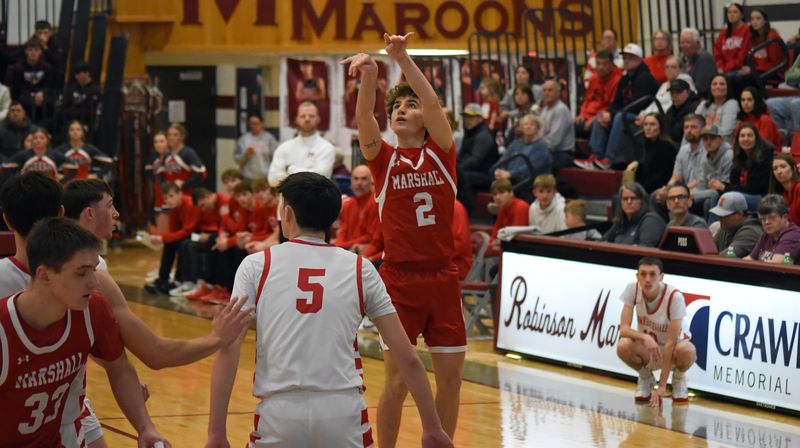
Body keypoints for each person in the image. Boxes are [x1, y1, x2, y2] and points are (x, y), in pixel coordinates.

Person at [206, 172, 452, 448]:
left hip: (279, 414)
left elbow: (228, 348)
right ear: (334, 218)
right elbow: (407, 357)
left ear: (286, 213)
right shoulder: (361, 268)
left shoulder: (255, 266)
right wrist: (431, 427)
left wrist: (216, 433)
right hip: (344, 414)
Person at [343, 33, 465, 447]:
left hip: (443, 279)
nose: (401, 110)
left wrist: (403, 58)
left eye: (408, 105)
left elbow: (432, 103)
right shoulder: (383, 161)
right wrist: (371, 77)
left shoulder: (442, 153)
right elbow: (365, 121)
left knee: (450, 382)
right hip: (399, 281)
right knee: (396, 381)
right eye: (395, 105)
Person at [0, 217, 170, 447]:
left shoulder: (92, 309)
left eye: (93, 271)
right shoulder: (6, 328)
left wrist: (146, 426)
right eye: (82, 273)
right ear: (44, 275)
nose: (93, 282)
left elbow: (119, 367)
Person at [616, 257, 697, 405]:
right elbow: (624, 329)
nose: (647, 279)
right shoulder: (632, 289)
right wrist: (645, 338)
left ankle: (678, 378)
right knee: (623, 345)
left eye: (653, 274)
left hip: (673, 351)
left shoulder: (674, 296)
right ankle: (646, 377)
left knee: (687, 350)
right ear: (637, 276)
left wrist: (662, 386)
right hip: (650, 349)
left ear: (661, 276)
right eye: (643, 274)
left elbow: (670, 344)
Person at [588, 43, 659, 170]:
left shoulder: (645, 78)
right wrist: (609, 113)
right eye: (625, 58)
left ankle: (609, 159)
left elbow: (638, 105)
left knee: (620, 117)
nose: (626, 61)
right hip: (625, 112)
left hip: (642, 115)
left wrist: (613, 114)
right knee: (601, 116)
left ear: (639, 60)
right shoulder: (625, 78)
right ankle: (596, 156)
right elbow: (616, 102)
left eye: (630, 58)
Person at [144, 182, 200, 295]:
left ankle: (179, 280)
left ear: (180, 194)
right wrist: (163, 237)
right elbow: (173, 229)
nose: (168, 200)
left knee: (181, 243)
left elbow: (187, 231)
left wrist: (163, 237)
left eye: (171, 196)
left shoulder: (190, 204)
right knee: (170, 243)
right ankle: (163, 278)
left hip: (198, 233)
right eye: (165, 198)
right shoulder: (173, 207)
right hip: (187, 233)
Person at [268, 101, 335, 186]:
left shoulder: (326, 148)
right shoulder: (284, 147)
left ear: (318, 119)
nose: (307, 119)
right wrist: (309, 172)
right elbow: (272, 180)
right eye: (303, 116)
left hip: (315, 198)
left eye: (311, 116)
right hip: (288, 199)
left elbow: (321, 178)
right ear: (297, 119)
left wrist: (290, 169)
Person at [652, 114, 706, 216]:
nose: (689, 130)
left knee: (679, 198)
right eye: (686, 127)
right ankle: (664, 229)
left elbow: (700, 181)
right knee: (656, 196)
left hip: (700, 192)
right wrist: (666, 189)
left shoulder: (708, 150)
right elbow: (675, 177)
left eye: (693, 127)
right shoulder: (683, 150)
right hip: (684, 190)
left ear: (702, 129)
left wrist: (678, 191)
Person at [494, 114, 551, 200]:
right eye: (525, 124)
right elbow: (504, 158)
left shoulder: (542, 146)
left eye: (531, 124)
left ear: (537, 128)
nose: (528, 127)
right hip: (512, 180)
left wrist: (511, 174)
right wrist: (499, 169)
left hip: (529, 183)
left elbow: (532, 167)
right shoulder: (516, 143)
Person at [4, 38, 56, 125]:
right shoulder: (18, 68)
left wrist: (41, 93)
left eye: (36, 50)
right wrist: (32, 95)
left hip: (42, 94)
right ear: (26, 51)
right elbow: (17, 89)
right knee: (26, 102)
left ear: (40, 52)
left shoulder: (47, 68)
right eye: (30, 50)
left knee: (50, 103)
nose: (33, 53)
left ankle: (46, 128)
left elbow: (49, 86)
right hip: (24, 95)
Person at [574, 50, 622, 141]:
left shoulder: (617, 80)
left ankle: (597, 154)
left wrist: (594, 118)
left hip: (602, 116)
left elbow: (611, 106)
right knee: (571, 125)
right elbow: (587, 100)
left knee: (596, 124)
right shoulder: (593, 78)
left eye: (604, 64)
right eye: (598, 63)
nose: (600, 67)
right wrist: (581, 114)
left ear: (612, 65)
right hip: (587, 115)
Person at [725, 123, 774, 211]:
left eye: (750, 136)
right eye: (742, 136)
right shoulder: (738, 158)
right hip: (743, 194)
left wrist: (724, 187)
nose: (746, 139)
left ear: (756, 139)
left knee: (729, 198)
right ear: (738, 140)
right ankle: (715, 224)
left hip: (761, 198)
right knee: (715, 197)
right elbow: (734, 183)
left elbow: (754, 188)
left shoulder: (765, 156)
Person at [625, 113, 677, 194]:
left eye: (652, 124)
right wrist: (637, 164)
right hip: (645, 189)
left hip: (659, 190)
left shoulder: (667, 147)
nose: (648, 128)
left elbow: (663, 176)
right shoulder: (646, 145)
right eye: (645, 124)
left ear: (660, 127)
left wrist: (641, 190)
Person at [2, 127, 76, 181]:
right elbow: (4, 166)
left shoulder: (55, 155)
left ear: (47, 140)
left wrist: (63, 180)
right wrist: (16, 179)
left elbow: (74, 168)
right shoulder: (23, 155)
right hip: (28, 190)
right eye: (35, 138)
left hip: (50, 190)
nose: (38, 140)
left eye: (42, 138)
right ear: (32, 141)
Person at [604, 182, 666, 247]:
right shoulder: (621, 221)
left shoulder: (651, 220)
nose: (629, 202)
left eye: (633, 198)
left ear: (642, 201)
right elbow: (603, 241)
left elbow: (645, 251)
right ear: (620, 202)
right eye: (625, 199)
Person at [334, 165, 379, 251]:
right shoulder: (348, 204)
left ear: (371, 181)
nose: (359, 183)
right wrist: (337, 246)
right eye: (356, 179)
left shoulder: (375, 203)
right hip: (347, 248)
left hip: (359, 249)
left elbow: (370, 236)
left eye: (364, 179)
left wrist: (340, 246)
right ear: (351, 181)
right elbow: (343, 231)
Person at [744, 195, 800, 263]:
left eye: (772, 217)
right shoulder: (767, 235)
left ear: (785, 217)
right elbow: (749, 259)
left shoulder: (793, 235)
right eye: (763, 219)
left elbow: (775, 265)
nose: (767, 222)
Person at [457, 103, 498, 191]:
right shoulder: (469, 132)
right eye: (466, 117)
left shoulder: (484, 135)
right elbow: (461, 155)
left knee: (459, 177)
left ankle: (467, 205)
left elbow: (476, 159)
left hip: (484, 173)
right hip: (472, 170)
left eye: (471, 117)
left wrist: (458, 169)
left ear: (480, 119)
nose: (467, 120)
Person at [697, 125, 734, 220]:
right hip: (710, 193)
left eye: (712, 138)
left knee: (710, 201)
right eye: (705, 139)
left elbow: (721, 188)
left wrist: (694, 195)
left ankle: (711, 231)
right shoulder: (704, 158)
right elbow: (702, 183)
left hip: (727, 193)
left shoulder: (729, 155)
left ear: (721, 139)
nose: (708, 142)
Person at [710, 191, 763, 257]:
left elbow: (728, 255)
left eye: (724, 215)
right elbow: (709, 249)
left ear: (739, 214)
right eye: (719, 215)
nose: (720, 218)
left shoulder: (751, 232)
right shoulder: (726, 227)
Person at [162, 123, 207, 194]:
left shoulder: (188, 153)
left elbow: (202, 173)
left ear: (182, 137)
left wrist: (185, 184)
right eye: (169, 134)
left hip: (185, 196)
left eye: (175, 135)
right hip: (169, 198)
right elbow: (165, 173)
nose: (171, 137)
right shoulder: (167, 155)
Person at [539, 79, 575, 169]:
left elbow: (553, 142)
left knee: (533, 162)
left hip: (562, 154)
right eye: (544, 90)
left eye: (550, 90)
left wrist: (535, 148)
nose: (546, 93)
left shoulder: (560, 110)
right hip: (547, 151)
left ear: (558, 93)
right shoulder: (545, 110)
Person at [695, 74, 740, 142]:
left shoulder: (732, 104)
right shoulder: (703, 104)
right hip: (702, 144)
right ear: (710, 88)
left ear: (728, 87)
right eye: (714, 84)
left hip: (723, 145)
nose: (718, 86)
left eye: (722, 84)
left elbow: (725, 132)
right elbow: (693, 126)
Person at [234, 114, 278, 181]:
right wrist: (245, 155)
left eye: (256, 123)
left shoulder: (269, 139)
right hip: (247, 177)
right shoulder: (243, 139)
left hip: (265, 177)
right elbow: (237, 159)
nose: (254, 126)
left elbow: (276, 158)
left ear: (262, 123)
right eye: (252, 124)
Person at [489, 179, 529, 249]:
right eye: (495, 194)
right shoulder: (503, 208)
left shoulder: (521, 207)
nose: (497, 197)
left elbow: (515, 234)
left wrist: (498, 242)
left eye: (501, 192)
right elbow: (495, 232)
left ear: (511, 193)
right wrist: (492, 243)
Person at [679, 27, 717, 98]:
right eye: (682, 43)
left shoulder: (705, 59)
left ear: (698, 43)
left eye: (687, 42)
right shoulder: (688, 58)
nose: (684, 46)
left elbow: (701, 87)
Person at [714, 3, 750, 76]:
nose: (731, 15)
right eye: (729, 12)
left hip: (739, 68)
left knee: (727, 78)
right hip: (724, 69)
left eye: (735, 12)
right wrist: (720, 67)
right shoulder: (724, 32)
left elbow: (742, 55)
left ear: (742, 15)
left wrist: (726, 68)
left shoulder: (747, 30)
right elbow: (717, 53)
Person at [62, 62, 101, 129]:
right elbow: (65, 105)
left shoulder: (95, 89)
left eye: (79, 74)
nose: (76, 77)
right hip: (70, 123)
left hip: (87, 124)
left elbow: (91, 110)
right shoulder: (72, 88)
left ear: (87, 73)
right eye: (76, 74)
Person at [145, 130, 169, 232]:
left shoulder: (172, 156)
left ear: (168, 142)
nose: (158, 144)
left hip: (169, 195)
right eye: (156, 142)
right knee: (161, 231)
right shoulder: (154, 157)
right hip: (158, 195)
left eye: (162, 141)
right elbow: (147, 169)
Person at [663, 79, 700, 143]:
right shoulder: (671, 110)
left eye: (678, 92)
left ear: (688, 92)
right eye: (672, 93)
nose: (674, 96)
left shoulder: (696, 108)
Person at [770, 154, 800, 226]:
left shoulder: (798, 189)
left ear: (793, 168)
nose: (779, 171)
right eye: (775, 168)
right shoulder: (779, 195)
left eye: (783, 167)